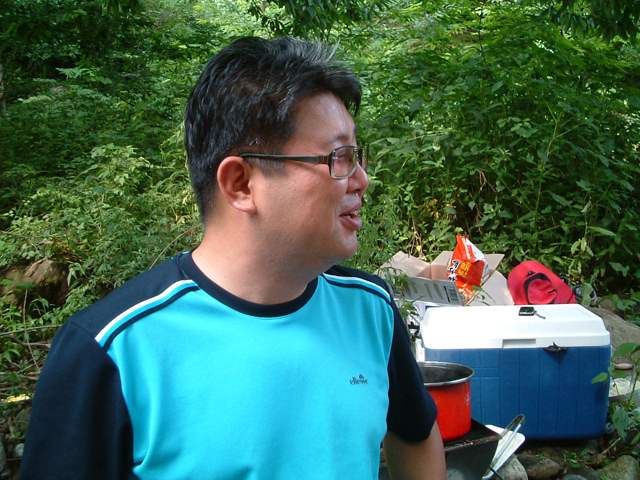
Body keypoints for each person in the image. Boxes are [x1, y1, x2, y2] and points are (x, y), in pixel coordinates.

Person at [20, 36, 446, 480]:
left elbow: (415, 433)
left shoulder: (368, 309)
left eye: (357, 156)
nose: (362, 179)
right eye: (339, 157)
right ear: (241, 183)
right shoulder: (111, 351)